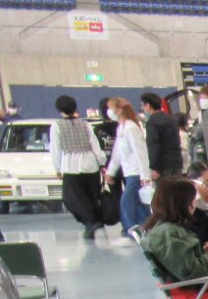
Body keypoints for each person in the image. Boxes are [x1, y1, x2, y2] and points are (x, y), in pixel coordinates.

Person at [50, 95, 107, 238]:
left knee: (72, 198)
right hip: (91, 165)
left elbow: (55, 149)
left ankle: (91, 222)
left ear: (59, 110)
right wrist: (102, 162)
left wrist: (57, 168)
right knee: (92, 197)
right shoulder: (86, 124)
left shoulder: (57, 126)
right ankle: (92, 223)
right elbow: (95, 146)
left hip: (71, 167)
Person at [104, 97, 151, 231]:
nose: (109, 112)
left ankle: (130, 231)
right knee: (140, 206)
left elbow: (140, 152)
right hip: (130, 173)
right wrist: (110, 172)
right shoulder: (121, 128)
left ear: (119, 110)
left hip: (137, 174)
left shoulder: (131, 128)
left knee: (127, 203)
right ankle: (146, 230)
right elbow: (117, 153)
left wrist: (144, 175)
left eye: (111, 108)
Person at [140, 93, 183, 179]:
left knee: (164, 187)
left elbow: (153, 146)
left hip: (162, 166)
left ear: (148, 106)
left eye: (143, 106)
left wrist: (153, 167)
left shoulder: (152, 122)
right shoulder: (172, 119)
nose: (142, 108)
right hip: (177, 162)